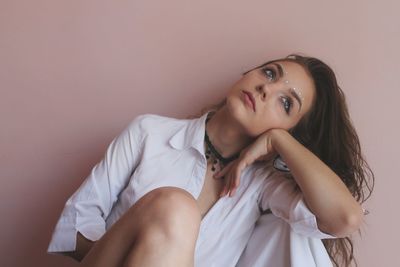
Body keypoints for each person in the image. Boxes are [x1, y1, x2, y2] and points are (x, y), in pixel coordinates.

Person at [47, 54, 374, 267]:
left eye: (286, 103)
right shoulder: (150, 133)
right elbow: (74, 225)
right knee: (176, 206)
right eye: (270, 73)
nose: (265, 88)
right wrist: (142, 249)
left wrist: (279, 141)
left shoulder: (264, 187)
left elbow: (344, 217)